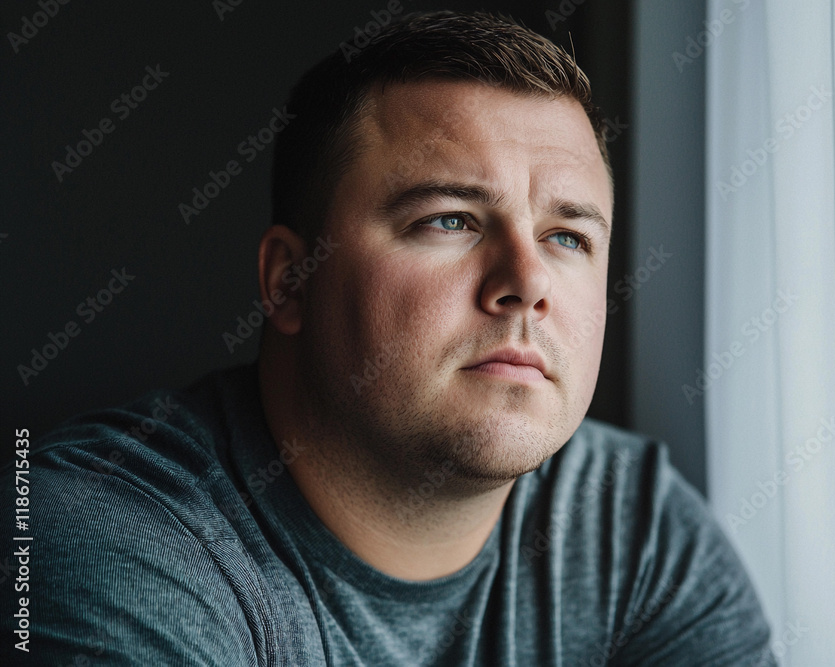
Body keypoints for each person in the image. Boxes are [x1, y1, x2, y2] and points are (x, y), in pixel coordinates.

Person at [2, 11, 775, 666]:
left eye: (567, 237)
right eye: (450, 219)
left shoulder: (634, 525)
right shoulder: (97, 535)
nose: (527, 281)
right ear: (290, 281)